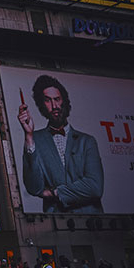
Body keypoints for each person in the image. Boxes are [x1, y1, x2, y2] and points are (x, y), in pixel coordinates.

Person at [18, 75, 104, 213]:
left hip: (92, 224)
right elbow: (34, 188)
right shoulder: (35, 139)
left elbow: (95, 187)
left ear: (64, 100)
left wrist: (55, 193)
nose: (54, 106)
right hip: (57, 223)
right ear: (42, 105)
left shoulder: (87, 141)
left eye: (57, 99)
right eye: (48, 100)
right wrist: (28, 135)